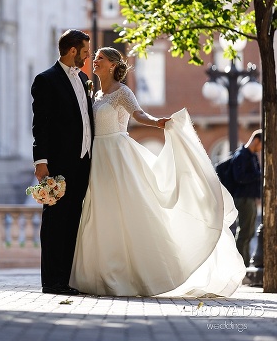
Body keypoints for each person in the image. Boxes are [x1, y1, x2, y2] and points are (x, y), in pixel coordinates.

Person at [70, 47, 246, 297]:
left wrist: (158, 122)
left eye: (100, 58)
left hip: (117, 156)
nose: (94, 61)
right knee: (100, 212)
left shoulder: (123, 91)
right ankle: (100, 275)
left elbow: (139, 114)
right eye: (95, 57)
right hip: (96, 156)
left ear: (112, 65)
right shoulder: (95, 93)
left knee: (126, 211)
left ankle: (134, 276)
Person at [31, 29, 94, 296]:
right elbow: (40, 125)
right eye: (85, 52)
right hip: (57, 163)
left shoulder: (83, 78)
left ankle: (65, 280)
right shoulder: (46, 80)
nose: (88, 57)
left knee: (73, 223)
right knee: (55, 223)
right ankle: (51, 282)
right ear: (72, 51)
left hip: (84, 163)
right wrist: (41, 161)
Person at [230, 129, 262, 265]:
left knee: (249, 232)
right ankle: (238, 265)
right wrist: (258, 175)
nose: (261, 148)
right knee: (244, 232)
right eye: (262, 144)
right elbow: (239, 177)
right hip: (242, 198)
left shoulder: (252, 156)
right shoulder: (241, 155)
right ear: (256, 140)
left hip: (250, 198)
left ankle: (246, 263)